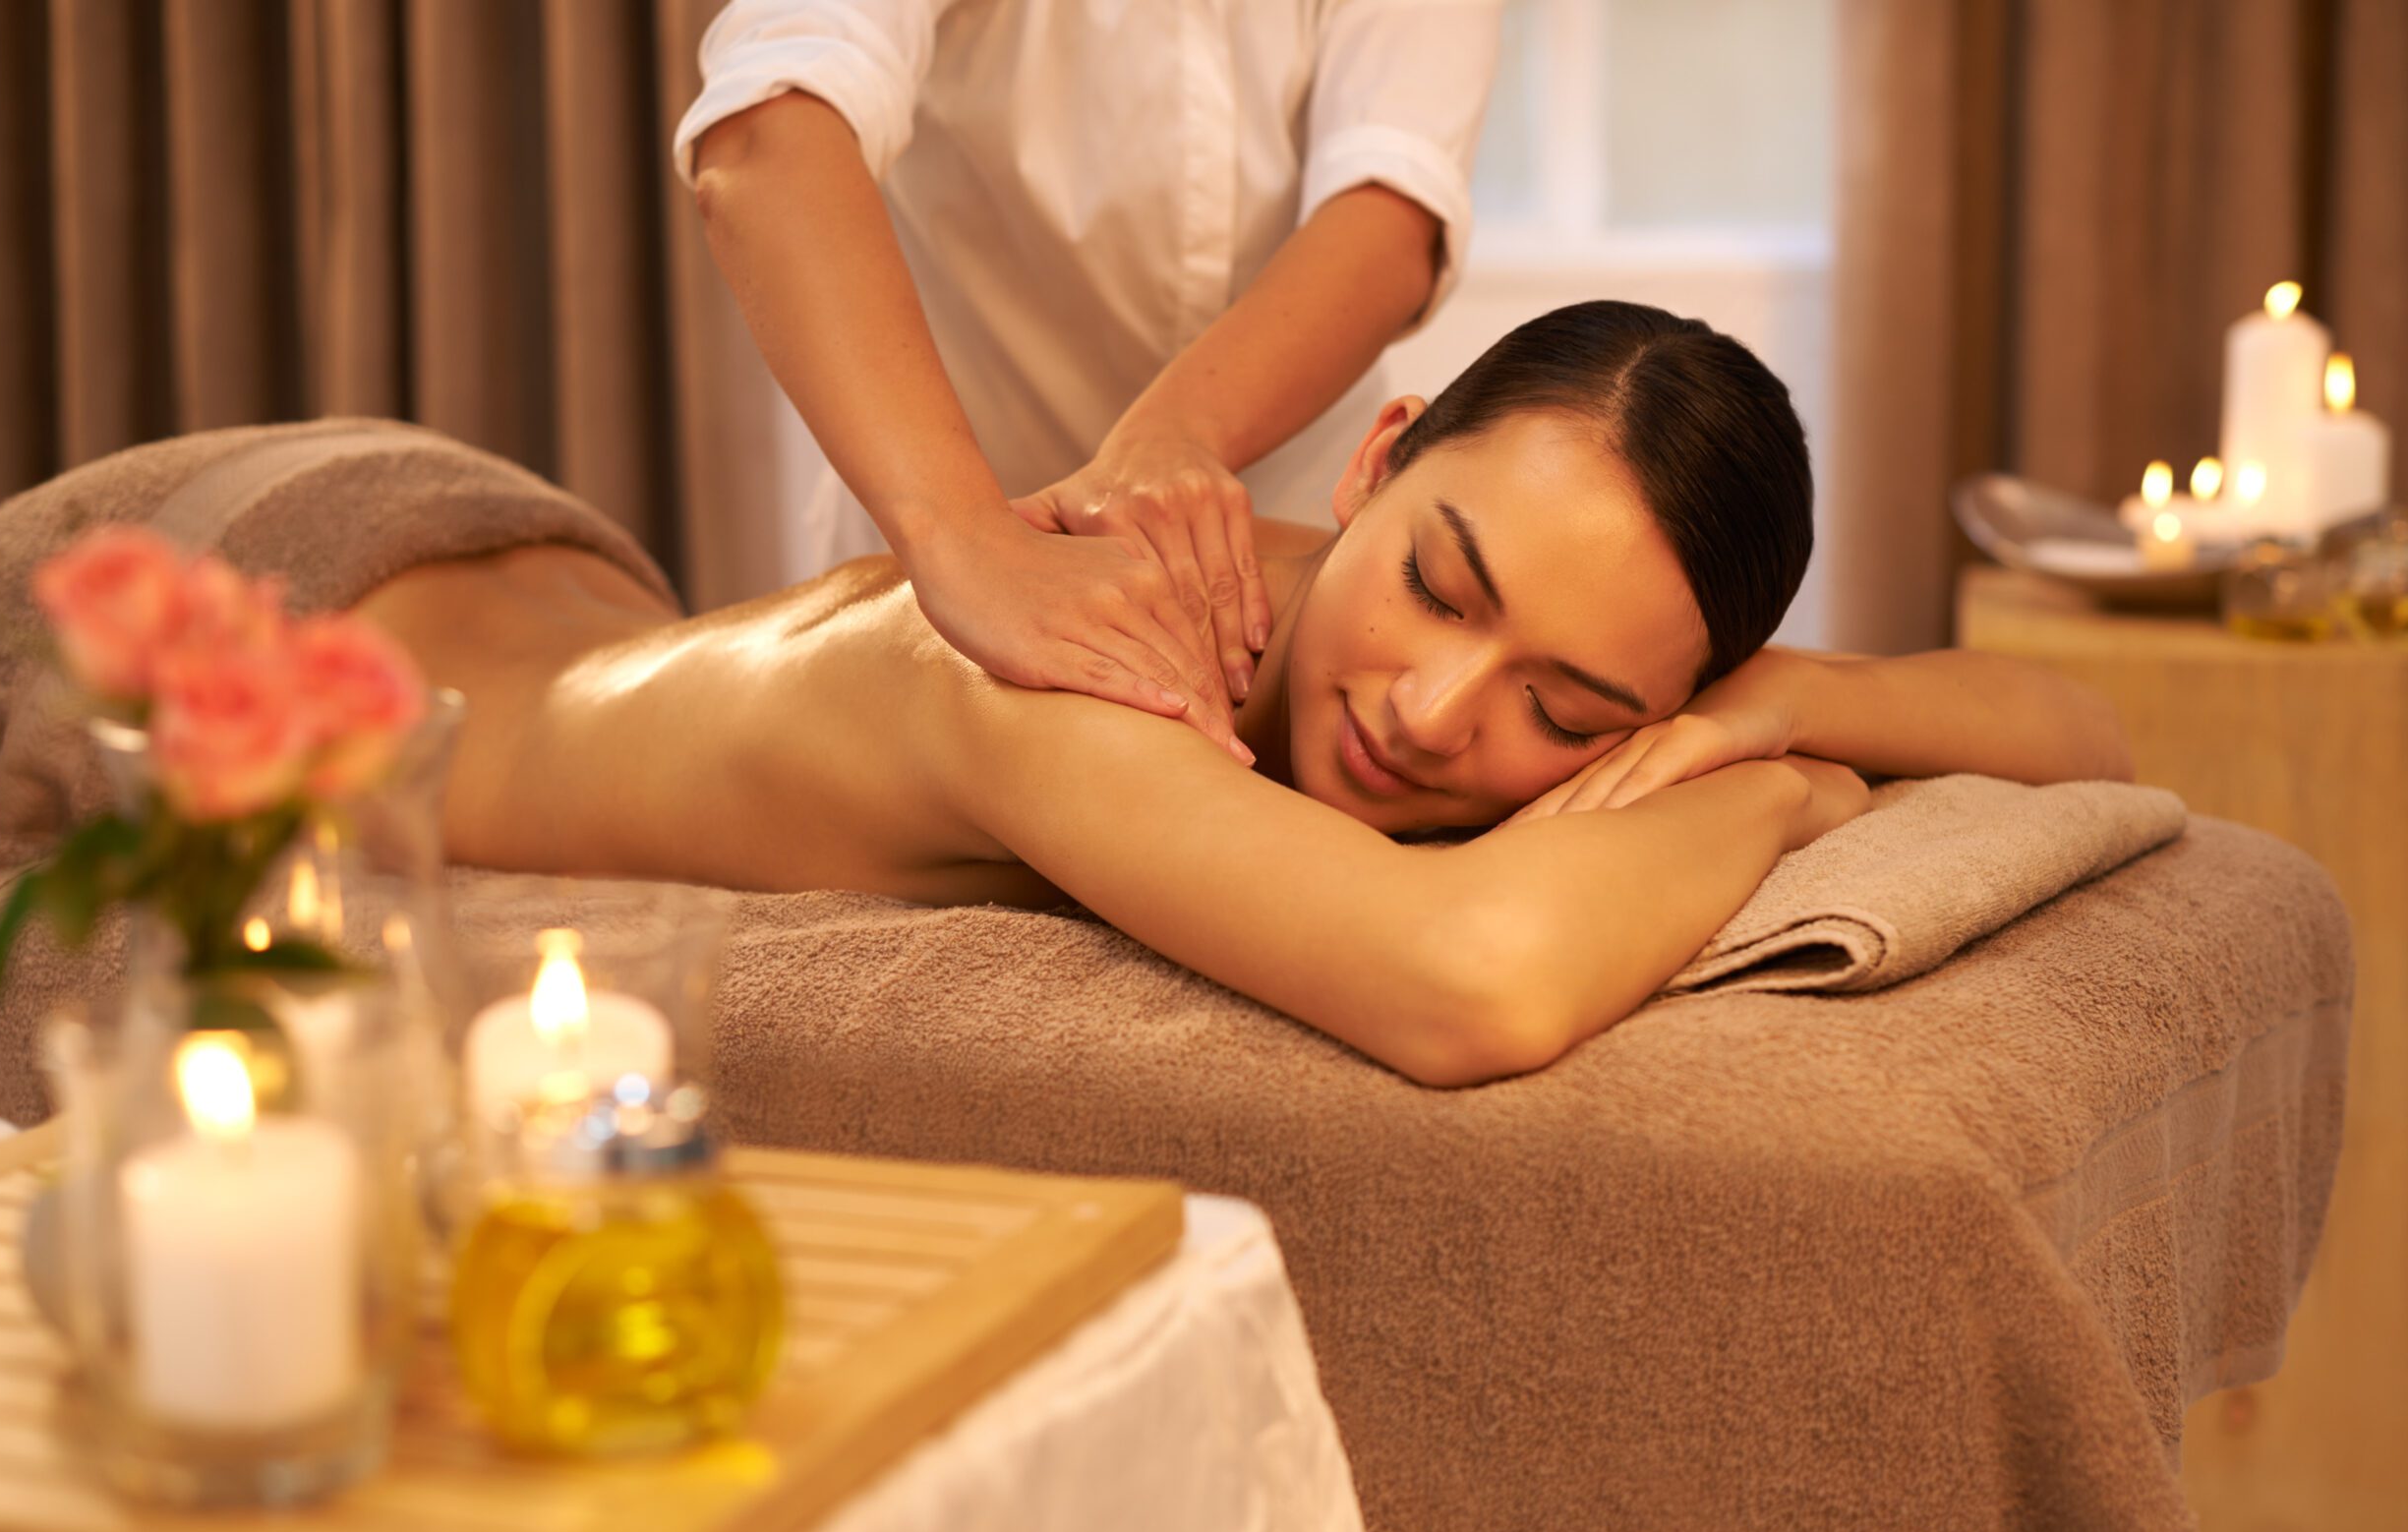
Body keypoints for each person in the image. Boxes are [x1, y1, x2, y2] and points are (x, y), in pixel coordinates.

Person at [358, 303, 2133, 1086]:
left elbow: (2083, 736)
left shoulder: (1581, 663)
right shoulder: (1086, 668)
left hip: (552, 600)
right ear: (1373, 460)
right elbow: (1472, 984)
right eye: (1439, 585)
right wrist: (1786, 789)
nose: (1433, 711)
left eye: (1572, 713)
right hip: (334, 629)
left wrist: (1768, 704)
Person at [677, 0, 1503, 762]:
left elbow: (1391, 209)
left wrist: (1177, 433)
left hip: (1281, 524)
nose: (1430, 718)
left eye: (1557, 711)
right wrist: (965, 539)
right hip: (946, 521)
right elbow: (767, 129)